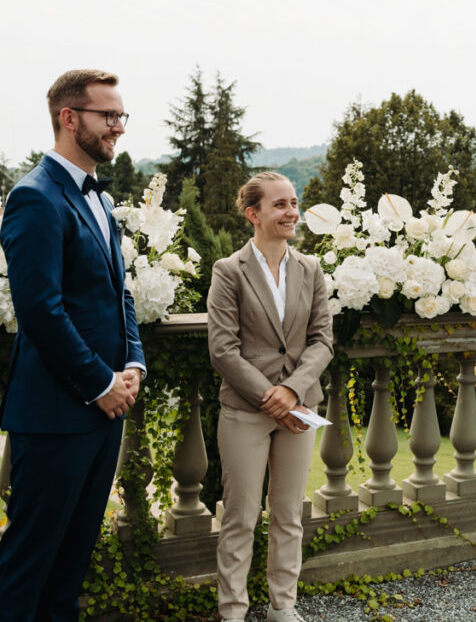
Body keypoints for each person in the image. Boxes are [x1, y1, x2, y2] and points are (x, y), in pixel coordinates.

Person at [0, 69, 145, 621]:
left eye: (122, 116)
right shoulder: (35, 197)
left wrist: (132, 362)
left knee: (71, 564)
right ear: (69, 118)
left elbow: (119, 293)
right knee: (30, 559)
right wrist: (101, 384)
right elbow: (40, 311)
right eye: (108, 115)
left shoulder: (100, 201)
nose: (119, 128)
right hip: (56, 413)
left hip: (105, 412)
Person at [207, 172, 333, 622]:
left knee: (288, 514)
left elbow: (322, 341)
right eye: (280, 205)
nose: (292, 212)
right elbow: (222, 349)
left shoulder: (311, 269)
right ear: (253, 214)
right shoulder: (228, 271)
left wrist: (292, 391)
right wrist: (270, 396)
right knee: (240, 517)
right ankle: (234, 611)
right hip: (245, 410)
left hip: (301, 408)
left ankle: (283, 607)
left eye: (294, 203)